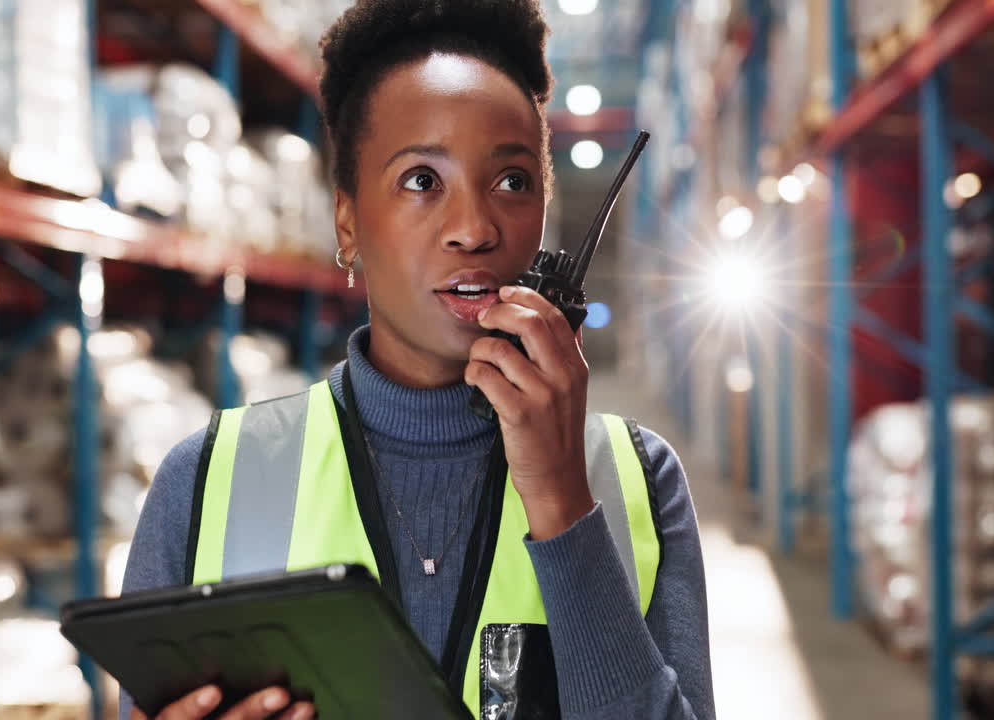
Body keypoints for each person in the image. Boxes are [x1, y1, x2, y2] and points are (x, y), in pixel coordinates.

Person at [120, 1, 714, 718]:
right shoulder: (205, 483)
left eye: (513, 181)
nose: (474, 228)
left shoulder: (637, 483)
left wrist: (561, 505)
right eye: (422, 181)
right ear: (348, 222)